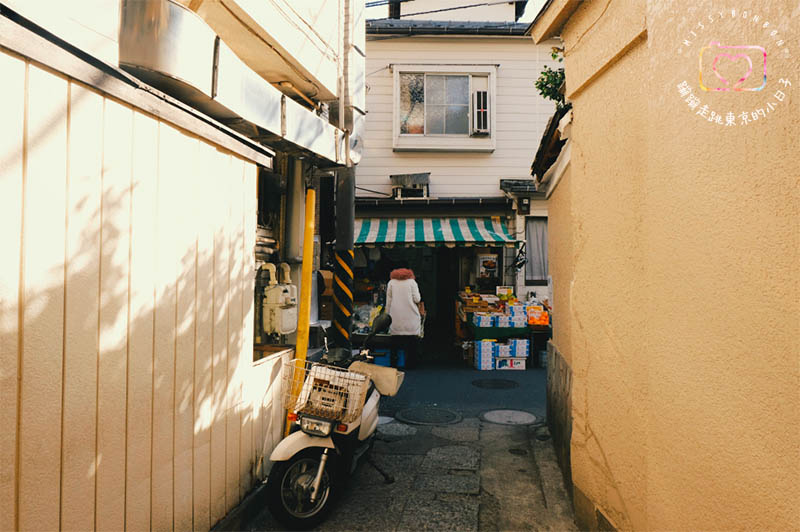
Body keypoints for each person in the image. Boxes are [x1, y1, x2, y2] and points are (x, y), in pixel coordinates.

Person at [385, 267, 424, 368]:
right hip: (410, 316)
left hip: (395, 317)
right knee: (412, 342)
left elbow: (388, 302)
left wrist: (387, 315)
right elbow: (417, 299)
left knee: (395, 344)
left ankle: (394, 363)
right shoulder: (412, 282)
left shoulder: (391, 283)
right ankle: (411, 364)